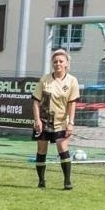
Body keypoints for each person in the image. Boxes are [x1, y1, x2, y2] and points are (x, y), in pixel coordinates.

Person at [32, 48, 80, 190]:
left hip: (61, 121)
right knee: (41, 149)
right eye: (55, 61)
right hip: (44, 120)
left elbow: (72, 104)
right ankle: (41, 181)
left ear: (66, 64)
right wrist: (37, 120)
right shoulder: (45, 79)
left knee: (62, 147)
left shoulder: (72, 81)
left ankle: (67, 182)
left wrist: (71, 123)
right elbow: (35, 101)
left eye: (61, 61)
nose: (58, 64)